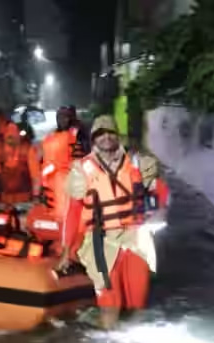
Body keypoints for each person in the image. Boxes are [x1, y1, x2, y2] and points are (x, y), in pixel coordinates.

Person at [57, 115, 168, 330]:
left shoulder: (138, 164)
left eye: (110, 132)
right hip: (101, 241)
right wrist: (66, 251)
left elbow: (160, 193)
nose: (106, 137)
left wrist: (158, 211)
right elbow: (73, 213)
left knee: (138, 302)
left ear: (118, 136)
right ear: (93, 139)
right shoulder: (81, 170)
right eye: (100, 134)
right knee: (110, 304)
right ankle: (104, 339)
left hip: (135, 238)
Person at [24, 121, 76, 252]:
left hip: (63, 223)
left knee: (32, 220)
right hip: (66, 221)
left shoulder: (54, 171)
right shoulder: (71, 165)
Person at [0, 122, 41, 205]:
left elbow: (35, 176)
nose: (11, 139)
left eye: (13, 136)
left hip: (25, 200)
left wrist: (36, 196)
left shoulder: (28, 150)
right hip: (5, 201)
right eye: (9, 136)